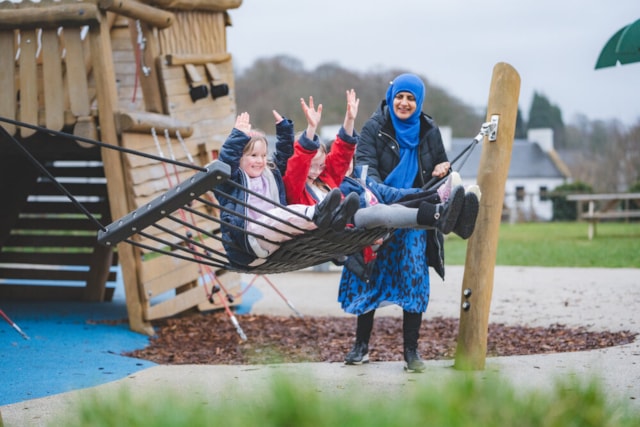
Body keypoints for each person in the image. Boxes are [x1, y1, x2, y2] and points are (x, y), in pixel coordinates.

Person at [339, 73, 480, 372]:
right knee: (368, 276)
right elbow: (367, 176)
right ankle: (361, 346)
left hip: (416, 218)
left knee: (413, 279)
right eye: (400, 96)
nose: (404, 103)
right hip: (380, 210)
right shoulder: (374, 128)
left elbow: (436, 172)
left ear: (419, 102)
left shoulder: (429, 130)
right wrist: (405, 195)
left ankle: (411, 352)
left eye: (411, 98)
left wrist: (441, 169)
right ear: (391, 98)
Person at [216, 110, 344, 267]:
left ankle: (333, 223)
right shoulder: (232, 182)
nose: (260, 161)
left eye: (263, 155)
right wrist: (238, 136)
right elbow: (226, 161)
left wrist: (284, 130)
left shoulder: (270, 175)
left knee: (290, 219)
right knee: (282, 215)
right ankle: (319, 213)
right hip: (248, 242)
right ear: (239, 158)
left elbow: (285, 156)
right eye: (253, 155)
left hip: (277, 241)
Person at [283, 90, 361, 226]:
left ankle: (411, 208)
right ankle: (331, 214)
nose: (316, 172)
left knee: (380, 212)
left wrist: (349, 119)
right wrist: (311, 128)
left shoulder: (326, 178)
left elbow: (342, 154)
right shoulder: (295, 188)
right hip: (317, 234)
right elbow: (298, 164)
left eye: (320, 166)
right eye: (311, 166)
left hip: (344, 233)